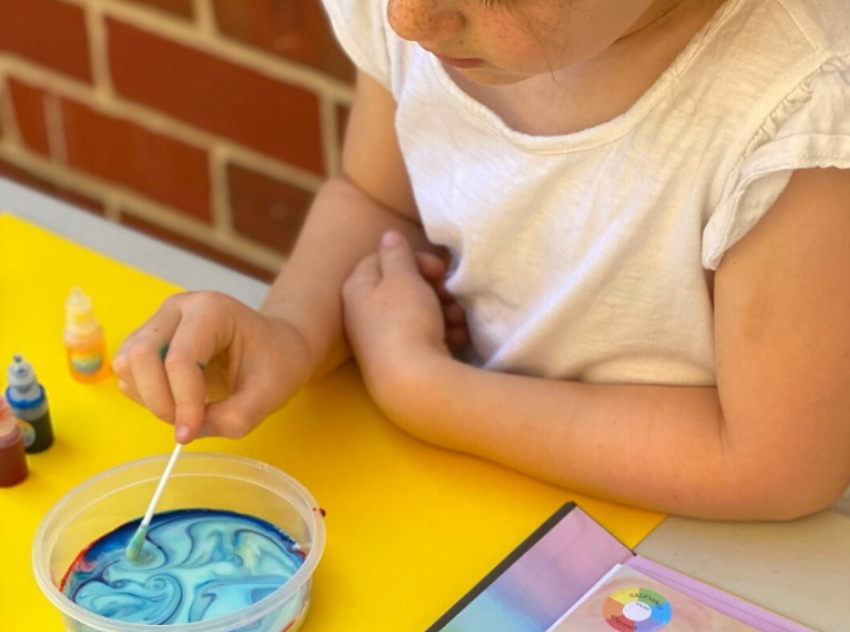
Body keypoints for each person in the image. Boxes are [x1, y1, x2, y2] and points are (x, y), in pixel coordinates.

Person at [113, 0, 850, 520]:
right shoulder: (426, 17)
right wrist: (288, 333)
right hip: (470, 502)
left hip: (694, 562)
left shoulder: (801, 110)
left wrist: (425, 390)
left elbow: (775, 465)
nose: (406, 19)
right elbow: (379, 201)